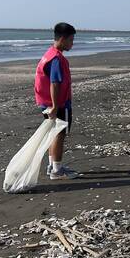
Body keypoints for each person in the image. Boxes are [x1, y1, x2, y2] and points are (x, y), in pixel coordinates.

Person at [34, 22, 78, 180]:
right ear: (62, 39)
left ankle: (53, 165)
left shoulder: (50, 53)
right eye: (71, 40)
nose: (72, 43)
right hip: (57, 104)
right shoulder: (56, 59)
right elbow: (55, 83)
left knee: (53, 134)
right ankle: (57, 170)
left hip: (46, 103)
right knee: (59, 134)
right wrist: (54, 106)